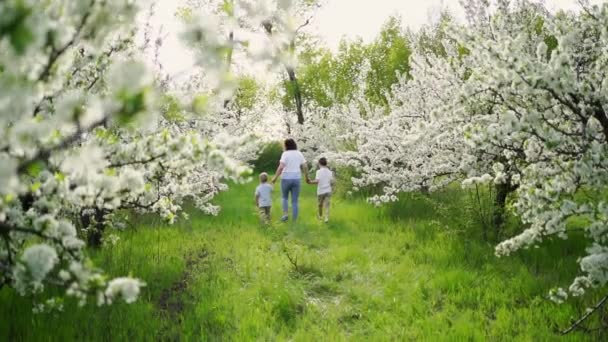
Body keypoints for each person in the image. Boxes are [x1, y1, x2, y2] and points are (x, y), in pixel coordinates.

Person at [271, 138, 309, 222]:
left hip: (286, 178)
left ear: (286, 145)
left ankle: (285, 214)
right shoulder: (299, 153)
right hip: (296, 178)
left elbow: (281, 167)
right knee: (295, 201)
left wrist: (275, 177)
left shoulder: (285, 154)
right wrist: (307, 177)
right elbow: (305, 166)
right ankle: (294, 221)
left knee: (284, 197)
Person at [307, 157, 334, 223]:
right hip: (328, 190)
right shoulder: (330, 172)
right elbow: (331, 182)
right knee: (327, 205)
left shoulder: (318, 172)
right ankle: (326, 218)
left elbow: (317, 181)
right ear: (326, 164)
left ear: (319, 164)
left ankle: (320, 217)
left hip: (321, 191)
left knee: (320, 205)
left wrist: (310, 182)